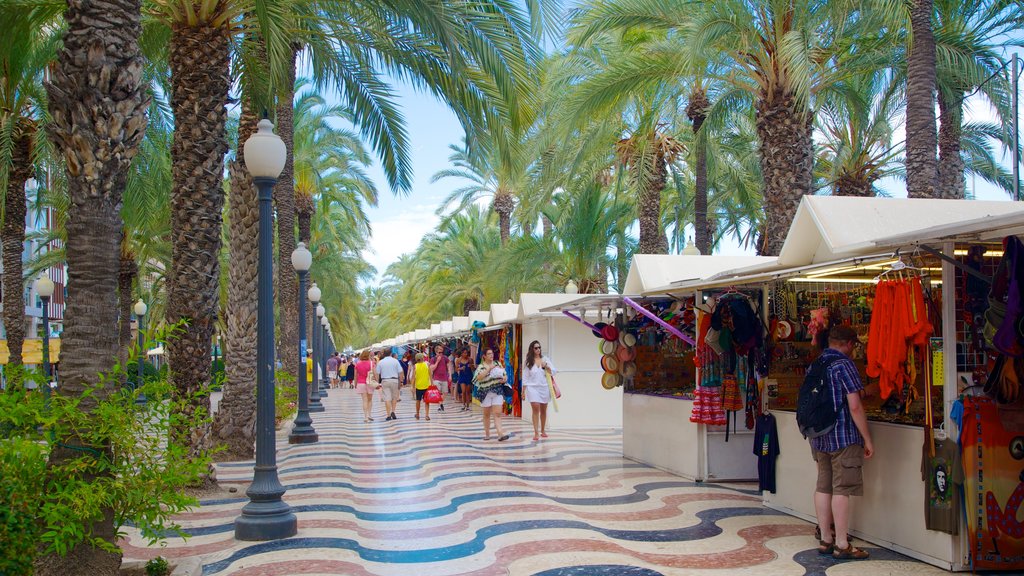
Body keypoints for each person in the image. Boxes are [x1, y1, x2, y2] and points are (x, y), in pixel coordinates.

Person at [810, 325, 874, 560]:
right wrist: (867, 438)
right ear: (848, 344)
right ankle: (842, 543)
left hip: (819, 437)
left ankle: (826, 538)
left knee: (823, 486)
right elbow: (855, 405)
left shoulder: (816, 363)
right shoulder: (844, 364)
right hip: (843, 436)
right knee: (842, 489)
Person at [473, 348, 510, 441]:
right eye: (489, 354)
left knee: (497, 413)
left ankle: (500, 433)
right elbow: (479, 377)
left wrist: (505, 378)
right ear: (484, 356)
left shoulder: (498, 364)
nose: (491, 355)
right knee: (486, 414)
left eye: (492, 353)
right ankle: (487, 433)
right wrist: (489, 369)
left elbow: (504, 373)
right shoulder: (481, 366)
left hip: (497, 391)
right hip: (485, 393)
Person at [522, 340, 555, 441]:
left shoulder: (545, 359)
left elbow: (553, 371)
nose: (538, 350)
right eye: (536, 348)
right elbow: (525, 377)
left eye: (539, 347)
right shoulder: (529, 362)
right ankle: (536, 432)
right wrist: (523, 391)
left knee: (543, 410)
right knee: (535, 408)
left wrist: (546, 367)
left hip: (544, 387)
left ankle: (543, 430)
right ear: (532, 349)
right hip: (532, 388)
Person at [376, 350, 404, 421]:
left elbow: (377, 373)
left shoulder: (381, 362)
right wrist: (401, 381)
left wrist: (377, 382)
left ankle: (388, 415)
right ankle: (393, 411)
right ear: (391, 354)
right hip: (394, 380)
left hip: (385, 380)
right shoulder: (395, 361)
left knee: (387, 398)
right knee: (394, 397)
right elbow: (400, 371)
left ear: (384, 354)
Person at [353, 349, 376, 422]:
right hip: (370, 383)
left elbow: (355, 376)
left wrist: (355, 384)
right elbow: (375, 374)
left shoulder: (358, 364)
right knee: (370, 400)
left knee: (364, 400)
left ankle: (365, 417)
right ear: (368, 355)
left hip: (361, 383)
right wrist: (377, 382)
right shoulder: (372, 363)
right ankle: (369, 415)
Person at [429, 344, 451, 412]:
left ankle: (440, 403)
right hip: (436, 378)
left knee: (445, 392)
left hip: (444, 378)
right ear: (436, 352)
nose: (441, 353)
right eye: (439, 352)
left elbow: (448, 366)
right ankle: (440, 405)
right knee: (438, 392)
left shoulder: (445, 358)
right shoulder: (433, 359)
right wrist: (437, 361)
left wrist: (450, 375)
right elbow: (432, 369)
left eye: (442, 352)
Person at [454, 346, 475, 411]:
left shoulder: (470, 359)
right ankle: (463, 404)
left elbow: (473, 369)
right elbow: (456, 369)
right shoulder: (458, 360)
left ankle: (468, 405)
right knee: (463, 391)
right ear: (461, 353)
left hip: (469, 376)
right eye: (464, 353)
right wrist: (460, 368)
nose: (465, 354)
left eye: (466, 353)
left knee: (468, 391)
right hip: (462, 376)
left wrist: (471, 366)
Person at [413, 352, 432, 420]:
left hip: (418, 386)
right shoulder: (427, 364)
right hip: (426, 385)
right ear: (422, 358)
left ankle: (417, 414)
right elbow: (430, 374)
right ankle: (427, 415)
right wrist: (432, 384)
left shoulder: (415, 366)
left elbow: (413, 377)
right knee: (427, 401)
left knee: (418, 400)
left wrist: (412, 386)